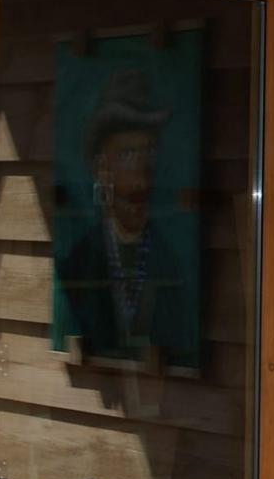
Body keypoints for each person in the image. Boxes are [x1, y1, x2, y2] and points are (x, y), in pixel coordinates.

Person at [55, 71, 186, 362]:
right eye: (127, 156)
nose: (141, 174)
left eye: (148, 154)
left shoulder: (168, 260)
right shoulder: (78, 261)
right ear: (101, 169)